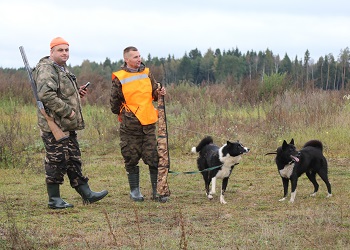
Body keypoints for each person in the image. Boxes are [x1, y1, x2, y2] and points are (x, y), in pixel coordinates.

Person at [33, 37, 108, 209]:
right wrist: (68, 110)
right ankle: (54, 199)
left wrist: (76, 91)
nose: (65, 53)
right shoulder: (46, 69)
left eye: (67, 50)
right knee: (56, 160)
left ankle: (86, 193)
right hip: (55, 125)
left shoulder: (61, 69)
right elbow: (46, 95)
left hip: (67, 124)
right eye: (60, 50)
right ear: (51, 52)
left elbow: (59, 91)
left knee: (73, 159)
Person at [110, 46, 168, 202]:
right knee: (130, 157)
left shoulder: (147, 74)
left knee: (153, 158)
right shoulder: (119, 77)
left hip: (148, 124)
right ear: (126, 59)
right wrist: (127, 115)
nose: (139, 59)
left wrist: (159, 93)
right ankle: (135, 191)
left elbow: (154, 93)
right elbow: (114, 104)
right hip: (130, 127)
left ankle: (157, 191)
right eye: (135, 57)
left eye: (139, 56)